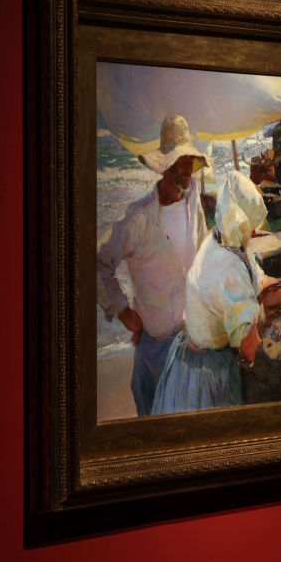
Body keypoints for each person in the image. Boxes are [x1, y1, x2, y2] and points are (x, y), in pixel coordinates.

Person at [96, 114, 209, 416]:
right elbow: (95, 262)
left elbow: (201, 247)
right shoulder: (140, 218)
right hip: (156, 349)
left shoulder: (193, 195)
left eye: (190, 161)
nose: (188, 169)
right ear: (164, 164)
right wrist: (122, 310)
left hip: (192, 340)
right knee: (156, 425)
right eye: (181, 160)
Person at [152, 171, 269, 415]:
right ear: (241, 221)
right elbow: (249, 347)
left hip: (186, 355)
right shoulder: (230, 266)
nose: (255, 232)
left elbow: (260, 281)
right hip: (207, 373)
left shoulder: (218, 239)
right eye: (252, 225)